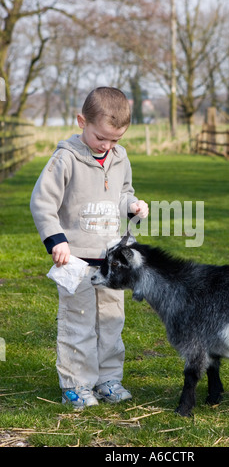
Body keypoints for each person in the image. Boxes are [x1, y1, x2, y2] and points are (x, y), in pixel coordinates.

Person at [30, 87, 149, 408]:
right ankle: (76, 384)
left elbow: (122, 192)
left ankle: (108, 379)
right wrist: (57, 240)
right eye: (101, 138)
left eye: (116, 140)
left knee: (111, 321)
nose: (108, 146)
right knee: (78, 321)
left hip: (112, 262)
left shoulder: (120, 158)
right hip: (76, 262)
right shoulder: (65, 159)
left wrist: (132, 205)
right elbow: (42, 202)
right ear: (82, 121)